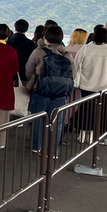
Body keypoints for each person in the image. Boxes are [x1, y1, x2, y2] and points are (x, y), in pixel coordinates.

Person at [25, 25, 76, 153]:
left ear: (46, 39)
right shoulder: (67, 55)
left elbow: (28, 71)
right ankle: (53, 151)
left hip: (40, 91)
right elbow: (73, 75)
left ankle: (37, 147)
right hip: (60, 94)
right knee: (57, 121)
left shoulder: (38, 52)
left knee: (38, 120)